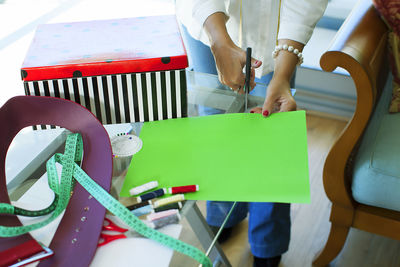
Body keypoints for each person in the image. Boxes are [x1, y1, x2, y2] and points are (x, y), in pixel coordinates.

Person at [176, 1, 328, 266]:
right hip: (205, 19)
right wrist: (218, 40)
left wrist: (282, 74)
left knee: (272, 133)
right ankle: (224, 213)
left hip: (278, 32)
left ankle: (268, 240)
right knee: (216, 125)